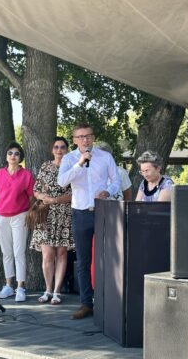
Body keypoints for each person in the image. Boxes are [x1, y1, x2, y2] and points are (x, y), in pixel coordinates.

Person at [58, 123, 120, 319]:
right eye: (81, 136)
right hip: (81, 212)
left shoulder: (105, 156)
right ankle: (86, 303)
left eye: (88, 136)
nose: (85, 139)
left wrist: (108, 191)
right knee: (83, 260)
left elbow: (116, 181)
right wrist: (80, 163)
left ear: (93, 137)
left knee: (108, 258)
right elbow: (62, 182)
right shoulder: (69, 159)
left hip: (103, 211)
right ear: (75, 140)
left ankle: (108, 301)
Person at [0, 141, 35, 302]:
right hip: (2, 216)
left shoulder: (26, 175)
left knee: (19, 253)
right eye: (10, 153)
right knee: (6, 253)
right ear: (6, 156)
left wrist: (29, 213)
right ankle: (8, 286)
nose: (13, 156)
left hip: (20, 216)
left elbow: (31, 197)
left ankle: (20, 287)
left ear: (20, 157)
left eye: (17, 154)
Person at [30, 137, 74, 305]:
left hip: (64, 213)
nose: (59, 150)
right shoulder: (45, 166)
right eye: (56, 147)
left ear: (67, 149)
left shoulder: (72, 167)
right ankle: (47, 289)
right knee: (48, 254)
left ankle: (57, 291)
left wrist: (56, 200)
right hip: (45, 214)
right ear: (52, 149)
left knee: (61, 253)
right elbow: (36, 190)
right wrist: (44, 197)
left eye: (62, 147)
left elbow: (75, 193)